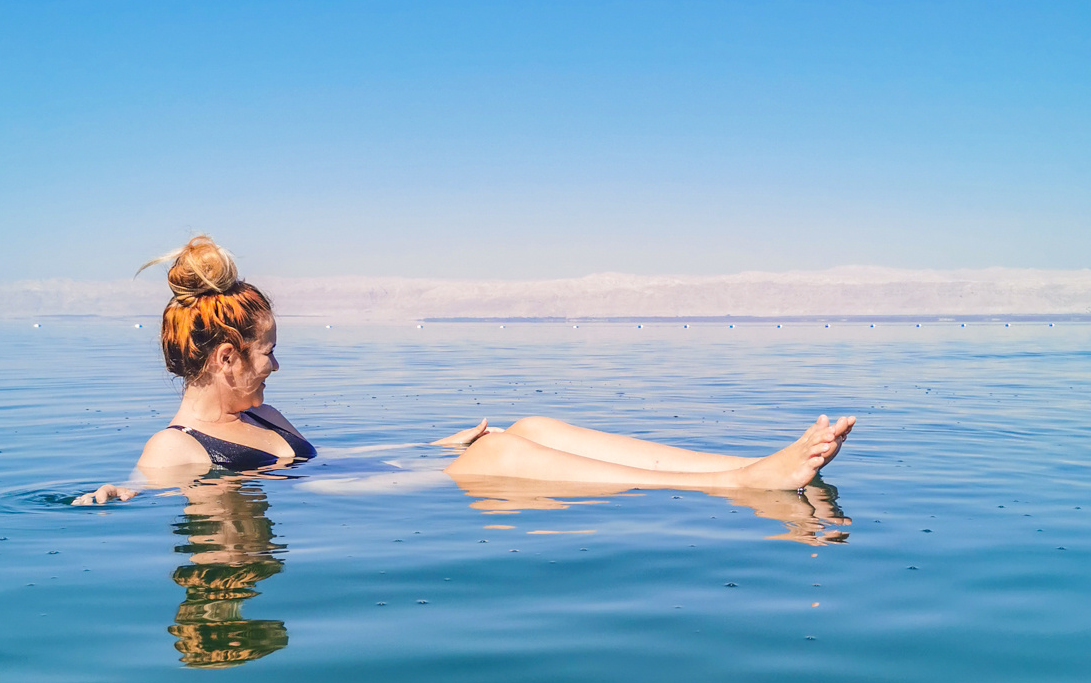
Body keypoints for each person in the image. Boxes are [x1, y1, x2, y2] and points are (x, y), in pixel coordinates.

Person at [76, 235, 855, 506]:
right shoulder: (177, 447)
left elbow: (327, 464)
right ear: (225, 357)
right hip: (378, 504)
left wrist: (433, 445)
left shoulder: (258, 416)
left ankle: (742, 465)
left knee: (528, 425)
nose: (276, 363)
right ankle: (742, 485)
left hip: (387, 474)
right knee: (505, 451)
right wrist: (120, 492)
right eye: (266, 349)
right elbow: (148, 485)